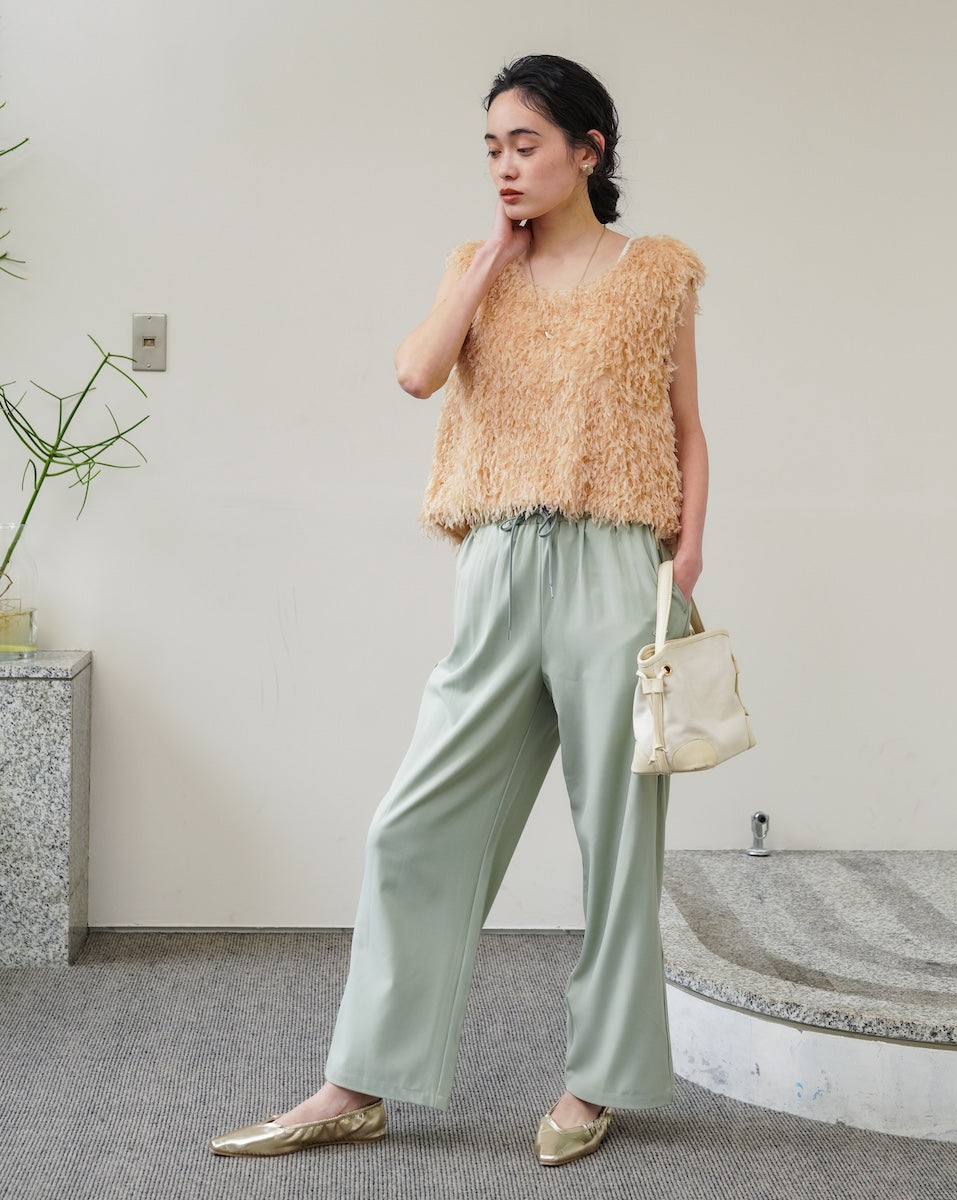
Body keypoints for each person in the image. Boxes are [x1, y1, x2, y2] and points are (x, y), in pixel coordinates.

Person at [210, 53, 708, 1168]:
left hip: (616, 564)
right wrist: (488, 262)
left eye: (525, 144)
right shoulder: (473, 270)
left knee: (618, 841)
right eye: (491, 148)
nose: (504, 166)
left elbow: (687, 429)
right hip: (498, 564)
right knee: (412, 824)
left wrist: (683, 563)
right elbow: (415, 372)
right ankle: (357, 1082)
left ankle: (596, 1079)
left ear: (589, 149)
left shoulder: (658, 274)